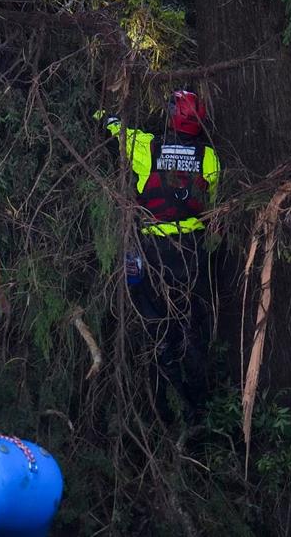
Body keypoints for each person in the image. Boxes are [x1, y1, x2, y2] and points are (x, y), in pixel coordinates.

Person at [100, 90, 220, 422]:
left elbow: (114, 127)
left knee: (152, 314)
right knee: (191, 319)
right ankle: (196, 401)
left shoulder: (147, 146)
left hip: (152, 248)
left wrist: (101, 115)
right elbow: (213, 198)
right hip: (191, 249)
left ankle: (162, 377)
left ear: (171, 116)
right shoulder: (209, 157)